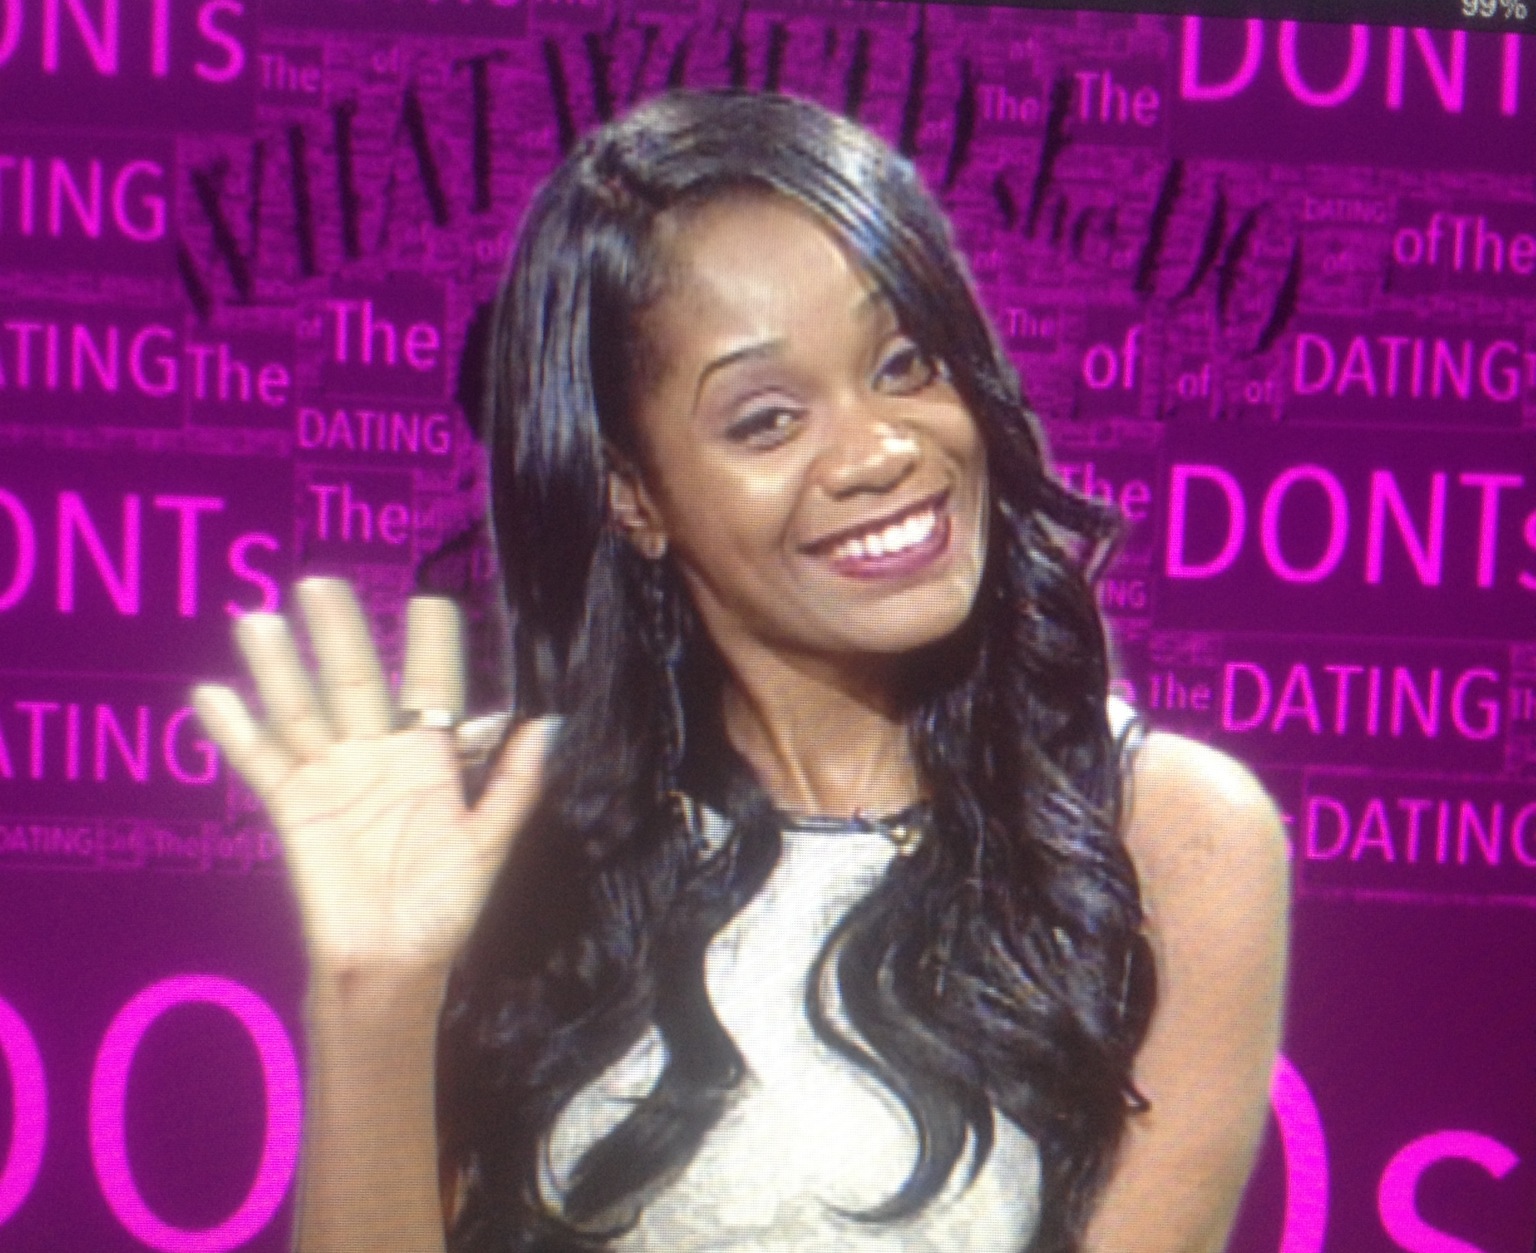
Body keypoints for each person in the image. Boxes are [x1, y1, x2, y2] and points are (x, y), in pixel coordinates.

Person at [193, 90, 1288, 1253]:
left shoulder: (1168, 833)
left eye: (905, 361)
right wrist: (378, 993)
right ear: (633, 492)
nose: (881, 449)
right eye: (767, 420)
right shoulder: (495, 832)